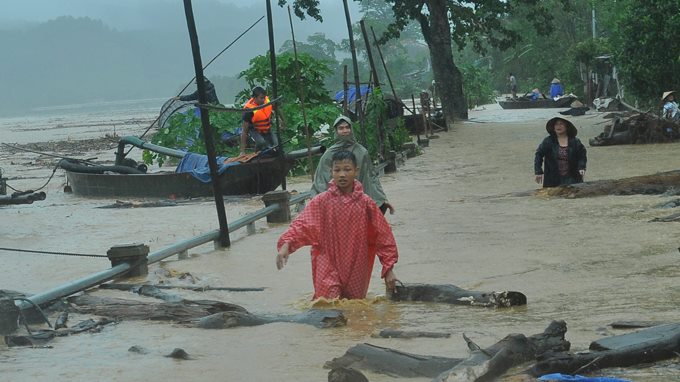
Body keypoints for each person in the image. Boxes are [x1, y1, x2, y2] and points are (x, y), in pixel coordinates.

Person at [276, 150, 399, 300]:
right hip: (326, 259)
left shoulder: (365, 203)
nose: (342, 174)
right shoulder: (321, 201)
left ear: (356, 171)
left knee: (354, 309)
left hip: (357, 262)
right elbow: (302, 224)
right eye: (337, 170)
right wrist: (286, 244)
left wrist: (389, 269)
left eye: (347, 170)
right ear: (331, 172)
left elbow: (383, 235)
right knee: (327, 304)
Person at [311, 115, 394, 215]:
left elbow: (371, 178)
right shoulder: (328, 155)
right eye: (341, 128)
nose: (345, 131)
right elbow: (320, 181)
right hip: (336, 204)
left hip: (359, 201)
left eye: (347, 127)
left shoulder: (362, 152)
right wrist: (322, 203)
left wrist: (381, 199)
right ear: (336, 131)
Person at [534, 117, 587, 187]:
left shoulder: (575, 141)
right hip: (553, 178)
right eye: (556, 124)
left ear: (567, 127)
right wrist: (538, 172)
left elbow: (582, 155)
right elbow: (539, 154)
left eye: (561, 124)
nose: (558, 126)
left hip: (572, 177)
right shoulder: (548, 141)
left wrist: (581, 167)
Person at [240, 86, 280, 155]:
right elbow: (244, 131)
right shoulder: (249, 110)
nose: (263, 100)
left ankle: (270, 152)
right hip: (254, 129)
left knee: (277, 145)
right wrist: (242, 151)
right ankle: (256, 154)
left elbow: (276, 109)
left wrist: (282, 120)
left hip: (267, 128)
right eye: (261, 98)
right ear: (254, 98)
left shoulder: (267, 102)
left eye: (264, 98)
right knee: (261, 142)